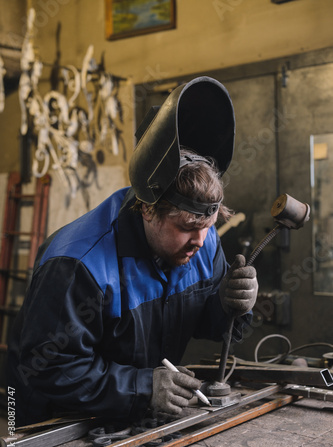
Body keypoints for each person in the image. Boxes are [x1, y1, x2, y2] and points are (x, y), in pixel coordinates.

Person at [7, 77, 258, 426]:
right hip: (54, 424)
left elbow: (206, 322)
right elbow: (49, 367)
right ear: (147, 209)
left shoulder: (203, 242)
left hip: (132, 416)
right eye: (186, 227)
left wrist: (230, 304)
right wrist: (142, 388)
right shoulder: (78, 264)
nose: (200, 241)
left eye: (208, 225)